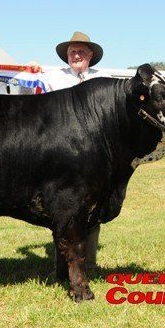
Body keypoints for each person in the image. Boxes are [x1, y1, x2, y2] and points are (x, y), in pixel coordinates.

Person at [41, 31, 111, 275]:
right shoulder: (51, 79)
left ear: (91, 55)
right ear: (66, 56)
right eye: (72, 51)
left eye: (81, 51)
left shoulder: (104, 80)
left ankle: (88, 264)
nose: (76, 55)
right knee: (62, 211)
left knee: (91, 210)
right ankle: (61, 267)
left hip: (95, 157)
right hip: (61, 155)